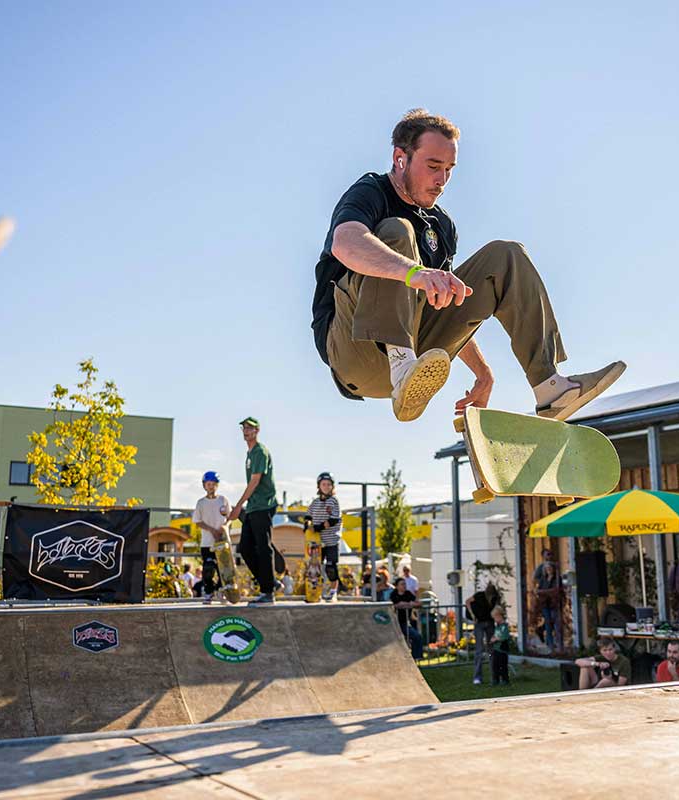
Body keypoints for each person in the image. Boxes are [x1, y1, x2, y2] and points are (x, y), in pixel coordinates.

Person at [311, 108, 625, 422]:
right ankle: (402, 365)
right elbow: (346, 241)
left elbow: (447, 305)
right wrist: (415, 272)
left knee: (506, 255)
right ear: (400, 158)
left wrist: (483, 374)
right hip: (354, 350)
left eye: (449, 169)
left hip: (415, 347)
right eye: (433, 166)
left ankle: (550, 388)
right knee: (396, 231)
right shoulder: (371, 192)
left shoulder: (442, 226)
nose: (442, 180)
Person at [225, 417, 278, 606]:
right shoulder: (249, 453)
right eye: (244, 428)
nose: (246, 431)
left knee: (263, 547)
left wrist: (238, 506)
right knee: (245, 549)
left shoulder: (260, 452)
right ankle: (270, 582)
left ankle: (268, 591)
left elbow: (255, 481)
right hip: (254, 507)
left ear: (257, 430)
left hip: (264, 505)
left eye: (250, 428)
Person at [192, 470, 231, 604]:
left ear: (217, 485)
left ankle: (221, 591)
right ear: (204, 485)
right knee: (208, 568)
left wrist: (223, 527)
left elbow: (230, 517)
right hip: (207, 542)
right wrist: (212, 530)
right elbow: (197, 521)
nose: (211, 486)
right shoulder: (201, 503)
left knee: (223, 569)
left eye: (213, 484)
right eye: (208, 484)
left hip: (222, 541)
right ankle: (209, 592)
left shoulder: (223, 500)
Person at [308, 472, 343, 601]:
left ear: (332, 487)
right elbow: (308, 515)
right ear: (319, 486)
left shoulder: (334, 501)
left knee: (331, 567)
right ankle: (316, 592)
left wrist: (317, 527)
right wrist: (307, 525)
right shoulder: (315, 502)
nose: (326, 486)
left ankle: (333, 592)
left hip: (332, 540)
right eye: (324, 484)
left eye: (329, 484)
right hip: (317, 541)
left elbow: (333, 520)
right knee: (315, 568)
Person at [467, 581, 502, 685]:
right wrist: (472, 615)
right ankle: (477, 677)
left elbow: (496, 609)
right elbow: (468, 601)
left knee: (491, 650)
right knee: (479, 650)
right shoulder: (479, 595)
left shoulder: (495, 598)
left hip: (489, 623)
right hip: (479, 623)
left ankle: (494, 676)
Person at [389, 576, 423, 659]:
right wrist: (399, 605)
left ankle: (416, 657)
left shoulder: (408, 593)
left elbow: (419, 603)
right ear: (397, 586)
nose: (404, 586)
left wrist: (409, 604)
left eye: (405, 584)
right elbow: (391, 605)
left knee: (417, 636)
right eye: (402, 584)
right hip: (394, 623)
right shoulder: (393, 594)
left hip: (404, 623)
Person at [535, 560, 561, 651]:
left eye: (550, 568)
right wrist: (548, 592)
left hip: (554, 603)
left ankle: (557, 642)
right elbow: (538, 591)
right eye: (547, 568)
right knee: (548, 623)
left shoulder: (557, 578)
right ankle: (550, 643)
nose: (548, 570)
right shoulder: (543, 579)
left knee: (554, 622)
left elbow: (556, 590)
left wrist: (545, 592)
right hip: (545, 604)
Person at [490, 605, 512, 686]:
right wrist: (493, 638)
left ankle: (505, 680)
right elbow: (496, 634)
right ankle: (495, 679)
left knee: (503, 666)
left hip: (502, 649)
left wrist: (496, 639)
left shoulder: (504, 627)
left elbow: (504, 636)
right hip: (496, 649)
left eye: (495, 618)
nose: (495, 620)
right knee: (495, 665)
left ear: (499, 616)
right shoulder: (498, 627)